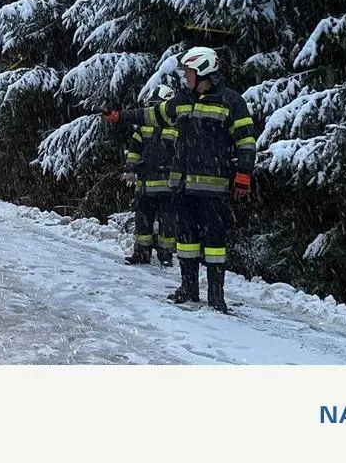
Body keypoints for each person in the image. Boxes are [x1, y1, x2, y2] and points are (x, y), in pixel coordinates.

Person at [102, 46, 256, 312]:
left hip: (214, 188)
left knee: (215, 244)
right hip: (183, 187)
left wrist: (244, 172)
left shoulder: (231, 101)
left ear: (203, 70)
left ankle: (216, 297)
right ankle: (188, 289)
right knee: (186, 241)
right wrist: (120, 117)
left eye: (189, 72)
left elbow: (246, 140)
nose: (186, 77)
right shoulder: (182, 101)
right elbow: (152, 115)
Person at [121, 84, 178, 267]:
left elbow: (182, 155)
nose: (155, 109)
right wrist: (130, 168)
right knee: (142, 221)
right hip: (145, 184)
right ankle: (141, 253)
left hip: (168, 186)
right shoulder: (144, 127)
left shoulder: (178, 128)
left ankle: (166, 255)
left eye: (158, 104)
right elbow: (134, 150)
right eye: (153, 105)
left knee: (167, 224)